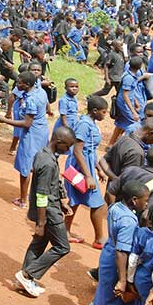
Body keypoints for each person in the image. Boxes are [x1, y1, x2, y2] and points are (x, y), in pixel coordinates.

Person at [14, 126, 76, 298]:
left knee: (39, 243)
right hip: (49, 211)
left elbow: (53, 183)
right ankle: (27, 274)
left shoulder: (44, 153)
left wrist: (62, 199)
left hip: (51, 207)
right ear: (59, 142)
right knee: (62, 247)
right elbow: (42, 194)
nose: (68, 150)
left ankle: (24, 279)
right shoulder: (48, 163)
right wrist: (41, 223)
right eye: (67, 146)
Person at [0, 71, 49, 208]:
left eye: (20, 83)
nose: (17, 84)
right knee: (38, 163)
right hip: (42, 131)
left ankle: (23, 200)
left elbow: (27, 123)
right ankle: (35, 193)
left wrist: (5, 120)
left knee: (25, 166)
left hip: (31, 134)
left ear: (28, 84)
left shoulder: (31, 100)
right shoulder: (40, 92)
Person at [92, 181, 149, 305]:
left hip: (107, 253)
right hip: (116, 262)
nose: (147, 203)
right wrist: (122, 280)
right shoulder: (128, 221)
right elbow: (121, 253)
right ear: (134, 200)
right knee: (114, 298)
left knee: (104, 292)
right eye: (145, 200)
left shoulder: (116, 206)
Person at [64, 96, 109, 249]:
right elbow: (78, 151)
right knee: (96, 203)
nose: (105, 115)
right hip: (80, 167)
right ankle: (99, 239)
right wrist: (89, 176)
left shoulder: (91, 123)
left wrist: (98, 169)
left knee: (75, 199)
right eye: (103, 112)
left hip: (87, 165)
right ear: (94, 111)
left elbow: (90, 149)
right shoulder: (84, 125)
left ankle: (65, 231)